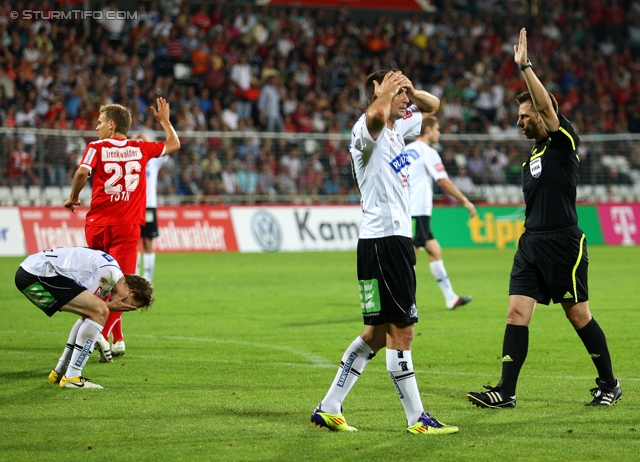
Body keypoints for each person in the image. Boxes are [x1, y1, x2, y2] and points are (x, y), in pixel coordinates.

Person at [467, 29, 622, 409]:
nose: (519, 122)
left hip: (563, 243)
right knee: (516, 311)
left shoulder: (562, 141)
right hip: (531, 243)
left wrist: (525, 67)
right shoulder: (531, 156)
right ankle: (506, 391)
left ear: (541, 111)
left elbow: (550, 111)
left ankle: (609, 383)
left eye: (524, 115)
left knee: (578, 315)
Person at [311, 70, 458, 435]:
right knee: (402, 331)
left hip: (388, 242)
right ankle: (417, 419)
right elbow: (376, 114)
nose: (406, 102)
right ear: (379, 94)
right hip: (383, 243)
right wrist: (384, 93)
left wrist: (407, 89)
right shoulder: (366, 129)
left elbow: (434, 106)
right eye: (399, 96)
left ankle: (329, 406)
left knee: (376, 334)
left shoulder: (398, 129)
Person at [64, 98, 180, 362]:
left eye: (101, 121)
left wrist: (73, 197)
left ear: (112, 124)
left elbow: (82, 173)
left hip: (96, 226)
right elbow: (174, 144)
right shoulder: (140, 148)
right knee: (122, 286)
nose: (97, 127)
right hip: (126, 228)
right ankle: (101, 335)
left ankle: (114, 338)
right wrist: (164, 121)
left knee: (98, 283)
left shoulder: (96, 147)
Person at [14, 246, 154, 389]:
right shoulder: (110, 274)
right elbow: (96, 309)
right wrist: (108, 306)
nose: (123, 307)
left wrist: (105, 307)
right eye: (128, 305)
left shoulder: (110, 278)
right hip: (39, 274)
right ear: (131, 292)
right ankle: (72, 377)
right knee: (99, 310)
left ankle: (60, 372)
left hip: (32, 272)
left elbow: (88, 312)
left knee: (95, 311)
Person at [406, 116, 476, 310]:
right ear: (427, 130)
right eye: (437, 129)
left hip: (409, 211)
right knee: (409, 259)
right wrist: (465, 201)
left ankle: (450, 298)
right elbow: (443, 181)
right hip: (417, 211)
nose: (439, 133)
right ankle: (405, 303)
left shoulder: (406, 150)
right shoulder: (427, 151)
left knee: (433, 251)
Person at [131, 128, 171, 284]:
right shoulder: (131, 159)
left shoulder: (153, 161)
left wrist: (143, 136)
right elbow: (126, 145)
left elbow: (164, 152)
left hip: (148, 206)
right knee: (134, 241)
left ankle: (147, 276)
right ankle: (134, 274)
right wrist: (136, 137)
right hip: (133, 206)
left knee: (148, 241)